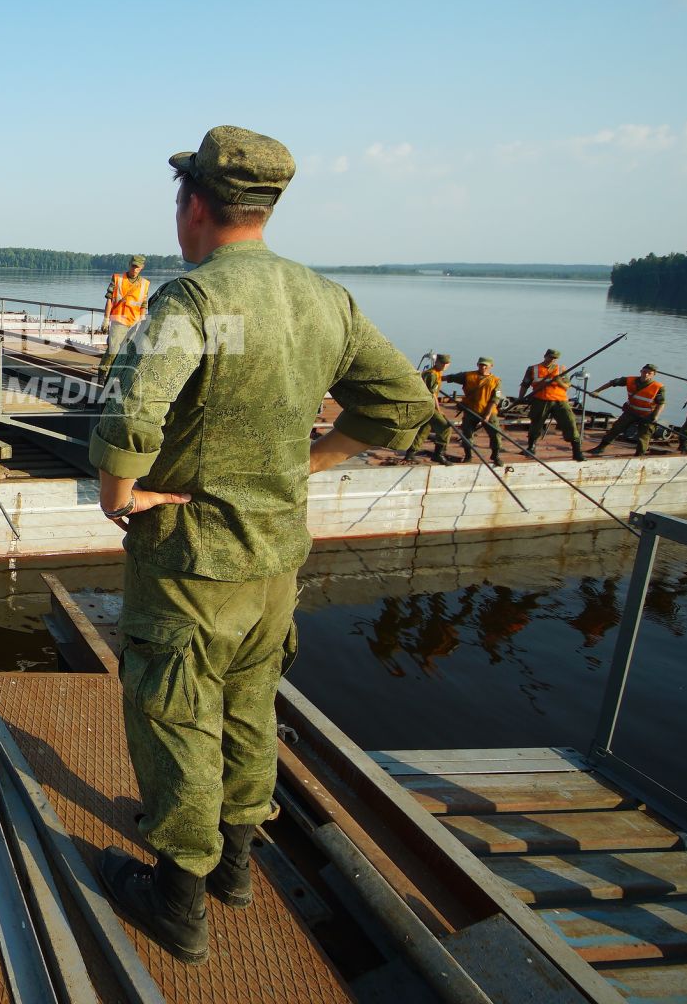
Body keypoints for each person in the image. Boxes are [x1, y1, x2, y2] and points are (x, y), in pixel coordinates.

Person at [89, 126, 432, 965]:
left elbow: (135, 413)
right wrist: (315, 458)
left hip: (191, 562)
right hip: (275, 558)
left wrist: (118, 496)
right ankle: (237, 867)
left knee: (175, 714)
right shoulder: (324, 298)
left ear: (195, 204)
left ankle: (177, 898)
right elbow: (406, 404)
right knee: (250, 708)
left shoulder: (195, 298)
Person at [517, 348, 586, 461]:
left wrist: (558, 381)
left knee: (570, 422)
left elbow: (567, 386)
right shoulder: (533, 369)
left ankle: (577, 452)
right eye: (550, 357)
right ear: (545, 356)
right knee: (536, 423)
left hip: (560, 401)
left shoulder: (561, 369)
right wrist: (520, 398)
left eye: (555, 358)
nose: (552, 360)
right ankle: (531, 447)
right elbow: (525, 384)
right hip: (541, 400)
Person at [590, 366, 665, 456]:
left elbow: (661, 403)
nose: (646, 374)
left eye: (649, 373)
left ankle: (640, 454)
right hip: (631, 411)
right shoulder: (630, 380)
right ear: (641, 371)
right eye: (644, 372)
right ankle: (600, 448)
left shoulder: (658, 387)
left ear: (653, 375)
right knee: (616, 428)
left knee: (644, 435)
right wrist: (597, 391)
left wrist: (655, 416)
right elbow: (612, 383)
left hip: (647, 415)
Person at [98, 255, 151, 382]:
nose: (134, 269)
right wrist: (106, 319)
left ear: (142, 268)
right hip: (119, 319)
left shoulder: (145, 284)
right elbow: (109, 300)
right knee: (114, 349)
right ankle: (102, 372)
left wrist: (142, 321)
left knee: (126, 352)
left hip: (134, 321)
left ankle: (116, 375)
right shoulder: (117, 278)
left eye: (137, 267)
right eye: (132, 266)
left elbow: (144, 304)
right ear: (129, 264)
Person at [443, 358, 505, 464]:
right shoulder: (468, 376)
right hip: (471, 410)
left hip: (489, 411)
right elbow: (451, 377)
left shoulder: (496, 381)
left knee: (495, 434)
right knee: (467, 434)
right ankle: (468, 455)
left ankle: (495, 455)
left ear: (491, 366)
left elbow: (495, 399)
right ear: (477, 365)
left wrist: (487, 415)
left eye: (486, 366)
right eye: (481, 365)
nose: (483, 367)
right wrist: (436, 377)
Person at [404, 353, 452, 464]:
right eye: (442, 363)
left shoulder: (434, 373)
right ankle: (438, 454)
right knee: (445, 428)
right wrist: (439, 410)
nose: (444, 366)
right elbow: (433, 394)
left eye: (446, 364)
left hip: (423, 405)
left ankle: (410, 454)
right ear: (437, 362)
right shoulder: (432, 375)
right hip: (427, 406)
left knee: (424, 429)